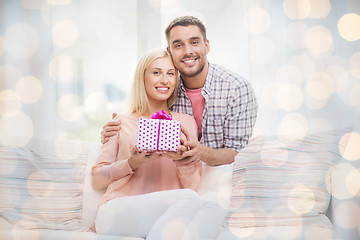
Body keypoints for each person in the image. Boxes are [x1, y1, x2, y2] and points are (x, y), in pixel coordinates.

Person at [101, 15, 258, 167]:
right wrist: (115, 133)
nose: (187, 51)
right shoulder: (165, 88)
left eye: (194, 42)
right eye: (178, 45)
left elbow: (238, 154)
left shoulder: (237, 89)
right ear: (169, 51)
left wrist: (202, 153)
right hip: (178, 178)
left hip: (220, 180)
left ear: (207, 46)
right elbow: (141, 118)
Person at [92, 49, 204, 238]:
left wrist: (181, 160)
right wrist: (131, 164)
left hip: (165, 214)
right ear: (142, 78)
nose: (164, 80)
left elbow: (193, 185)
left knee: (202, 203)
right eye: (156, 72)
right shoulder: (121, 121)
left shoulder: (185, 122)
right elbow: (96, 181)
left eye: (170, 73)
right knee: (193, 202)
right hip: (116, 211)